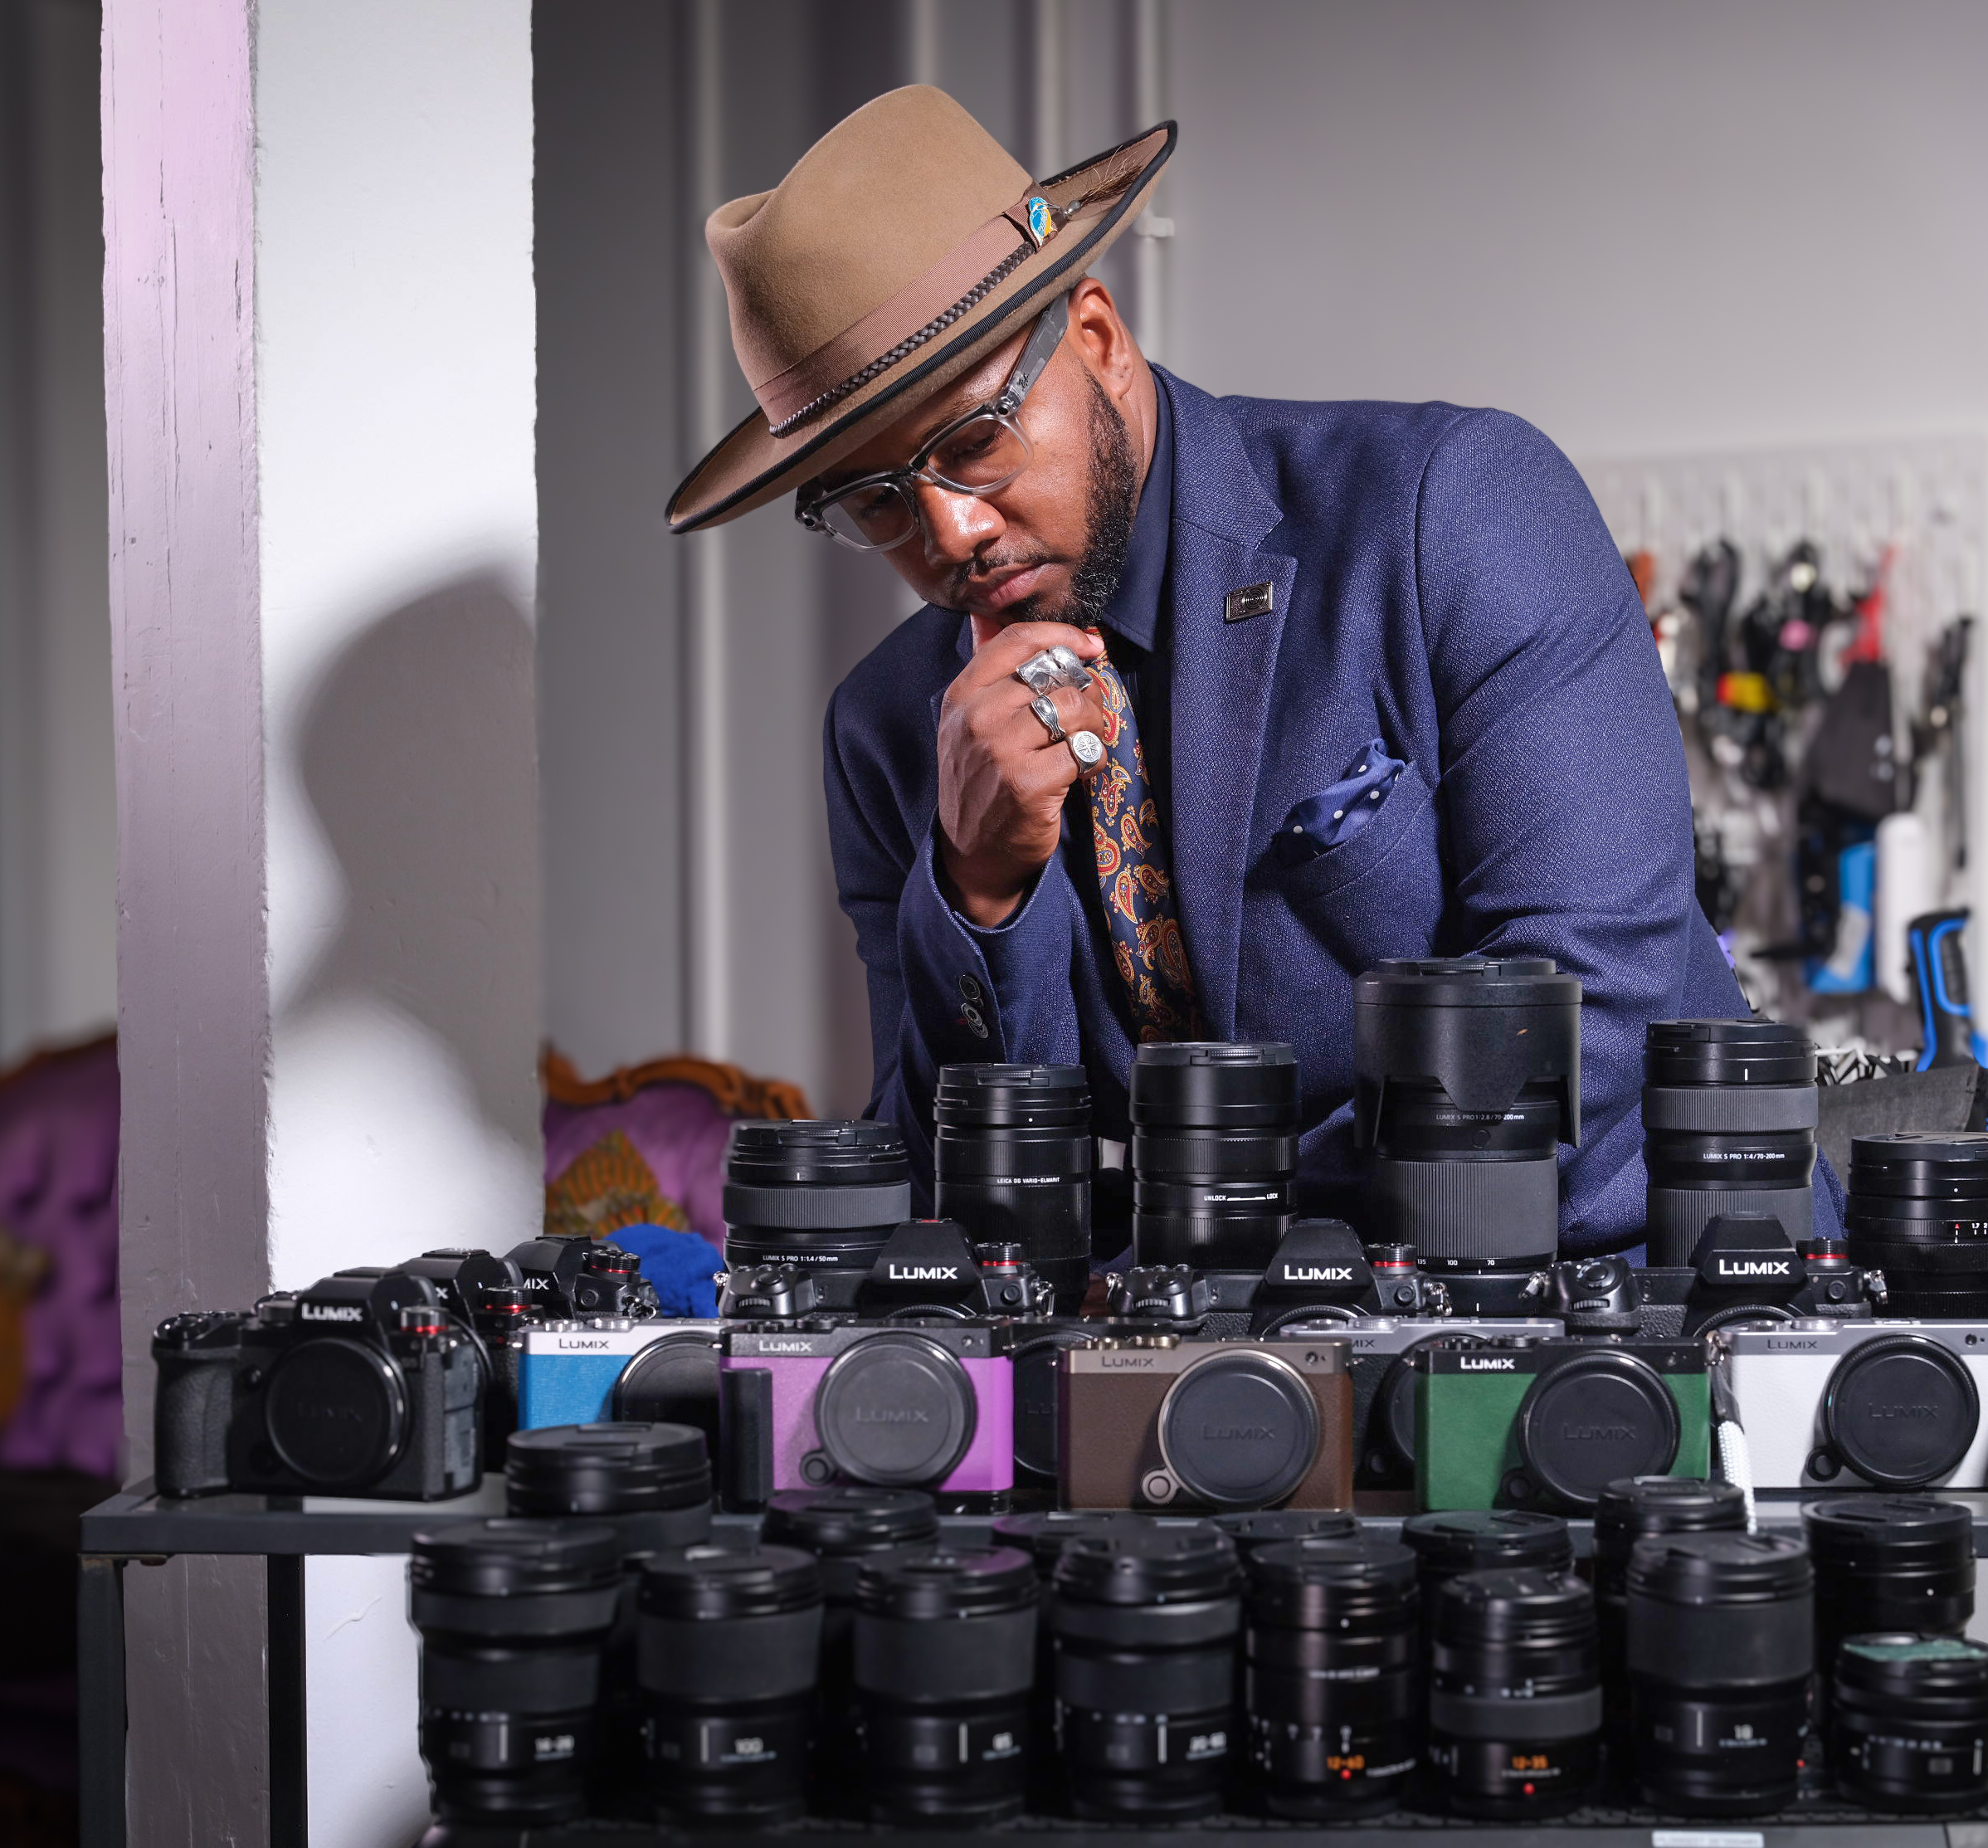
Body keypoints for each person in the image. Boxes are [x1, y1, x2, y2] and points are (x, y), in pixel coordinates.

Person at [669, 87, 1824, 1257]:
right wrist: (979, 892)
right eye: (874, 500)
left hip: (1627, 1311)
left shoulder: (1455, 510)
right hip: (1220, 1377)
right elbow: (957, 1200)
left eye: (972, 442)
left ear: (1099, 339)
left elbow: (1586, 1016)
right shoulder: (889, 732)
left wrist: (1224, 1233)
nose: (950, 534)